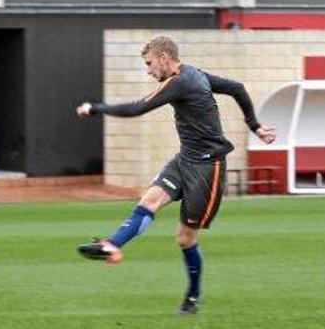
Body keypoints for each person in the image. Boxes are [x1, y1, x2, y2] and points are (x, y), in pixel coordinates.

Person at [75, 35, 276, 316]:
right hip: (185, 159)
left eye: (149, 63)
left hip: (208, 168)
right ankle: (111, 245)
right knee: (149, 201)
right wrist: (255, 126)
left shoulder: (181, 82)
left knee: (185, 239)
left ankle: (193, 296)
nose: (148, 70)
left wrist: (96, 108)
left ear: (164, 58)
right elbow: (237, 88)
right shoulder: (195, 74)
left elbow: (138, 108)